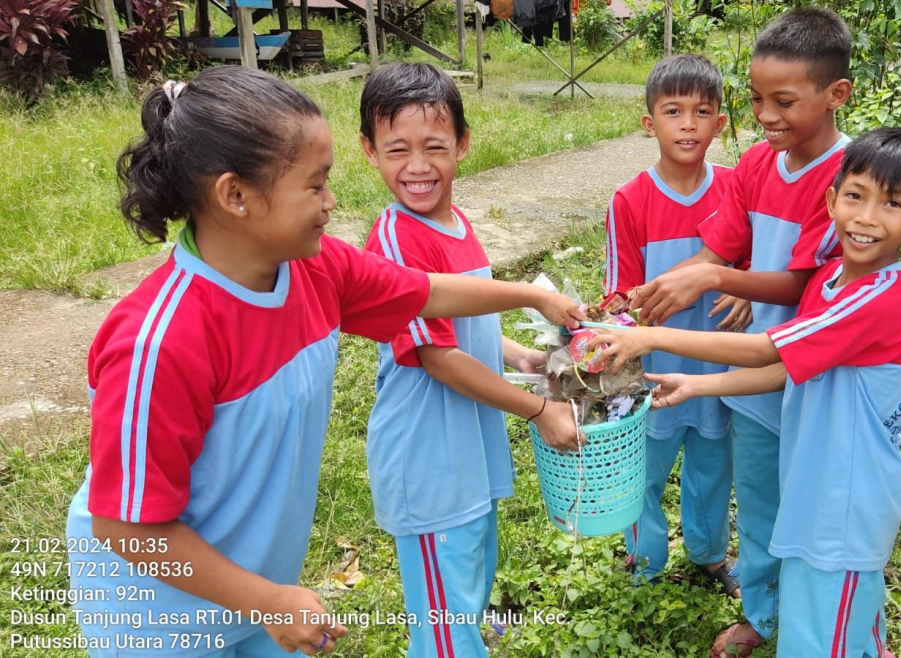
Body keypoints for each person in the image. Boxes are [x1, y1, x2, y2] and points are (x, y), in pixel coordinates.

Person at [64, 65, 583, 658]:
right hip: (161, 616)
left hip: (258, 587)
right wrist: (265, 600)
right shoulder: (159, 343)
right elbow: (125, 527)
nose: (332, 202)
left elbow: (428, 291)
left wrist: (532, 294)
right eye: (314, 186)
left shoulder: (316, 268)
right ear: (235, 195)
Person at [592, 127, 901, 657]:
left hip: (845, 502)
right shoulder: (830, 280)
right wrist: (697, 384)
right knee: (845, 621)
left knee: (819, 636)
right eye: (855, 196)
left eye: (892, 204)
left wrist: (646, 335)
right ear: (832, 200)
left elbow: (766, 350)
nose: (867, 217)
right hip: (819, 487)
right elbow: (789, 369)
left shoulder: (882, 296)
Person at [628, 8, 855, 654]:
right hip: (752, 384)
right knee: (756, 502)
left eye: (784, 101)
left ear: (836, 94)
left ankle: (816, 613)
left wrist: (713, 281)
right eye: (756, 99)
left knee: (808, 506)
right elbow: (722, 247)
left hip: (812, 380)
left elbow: (796, 284)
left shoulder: (849, 181)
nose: (765, 115)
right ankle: (764, 612)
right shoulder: (758, 165)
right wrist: (673, 283)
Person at [357, 62, 579, 657]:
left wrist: (522, 354)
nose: (418, 166)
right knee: (442, 617)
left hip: (466, 453)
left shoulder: (454, 224)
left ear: (462, 144)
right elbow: (438, 357)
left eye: (434, 146)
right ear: (369, 152)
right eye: (397, 149)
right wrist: (537, 411)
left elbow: (463, 322)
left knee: (470, 572)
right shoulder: (399, 239)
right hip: (428, 461)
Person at [603, 54, 742, 597]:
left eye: (702, 111)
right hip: (655, 375)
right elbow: (621, 297)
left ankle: (709, 555)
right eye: (673, 110)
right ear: (649, 123)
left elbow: (750, 266)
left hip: (720, 367)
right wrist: (629, 310)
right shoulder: (630, 200)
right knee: (644, 472)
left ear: (720, 124)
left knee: (713, 468)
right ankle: (646, 559)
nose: (688, 123)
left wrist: (741, 290)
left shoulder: (735, 188)